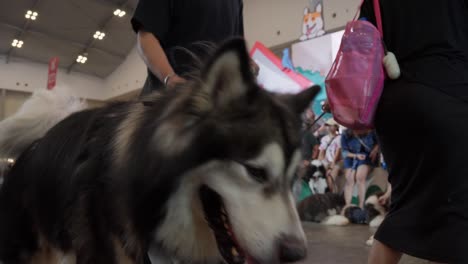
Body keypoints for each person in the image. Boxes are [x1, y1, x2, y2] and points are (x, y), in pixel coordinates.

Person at [360, 0, 468, 263]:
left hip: (395, 101)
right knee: (457, 213)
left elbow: (363, 41)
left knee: (403, 205)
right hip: (449, 90)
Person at [131, 0, 254, 96]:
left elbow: (237, 46)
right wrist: (170, 78)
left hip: (216, 104)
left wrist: (247, 62)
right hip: (170, 104)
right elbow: (145, 38)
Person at [341, 129, 379, 209]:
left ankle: (361, 206)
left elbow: (379, 142)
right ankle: (348, 206)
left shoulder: (371, 131)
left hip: (367, 157)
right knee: (349, 179)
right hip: (351, 157)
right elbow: (344, 153)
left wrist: (375, 150)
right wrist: (356, 156)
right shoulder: (345, 133)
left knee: (360, 177)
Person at [318, 118, 342, 193]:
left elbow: (338, 153)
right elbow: (321, 153)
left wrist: (331, 166)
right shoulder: (324, 139)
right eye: (327, 125)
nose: (328, 127)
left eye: (330, 125)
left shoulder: (340, 138)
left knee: (330, 177)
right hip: (327, 162)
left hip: (336, 162)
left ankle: (330, 195)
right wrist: (319, 164)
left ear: (336, 127)